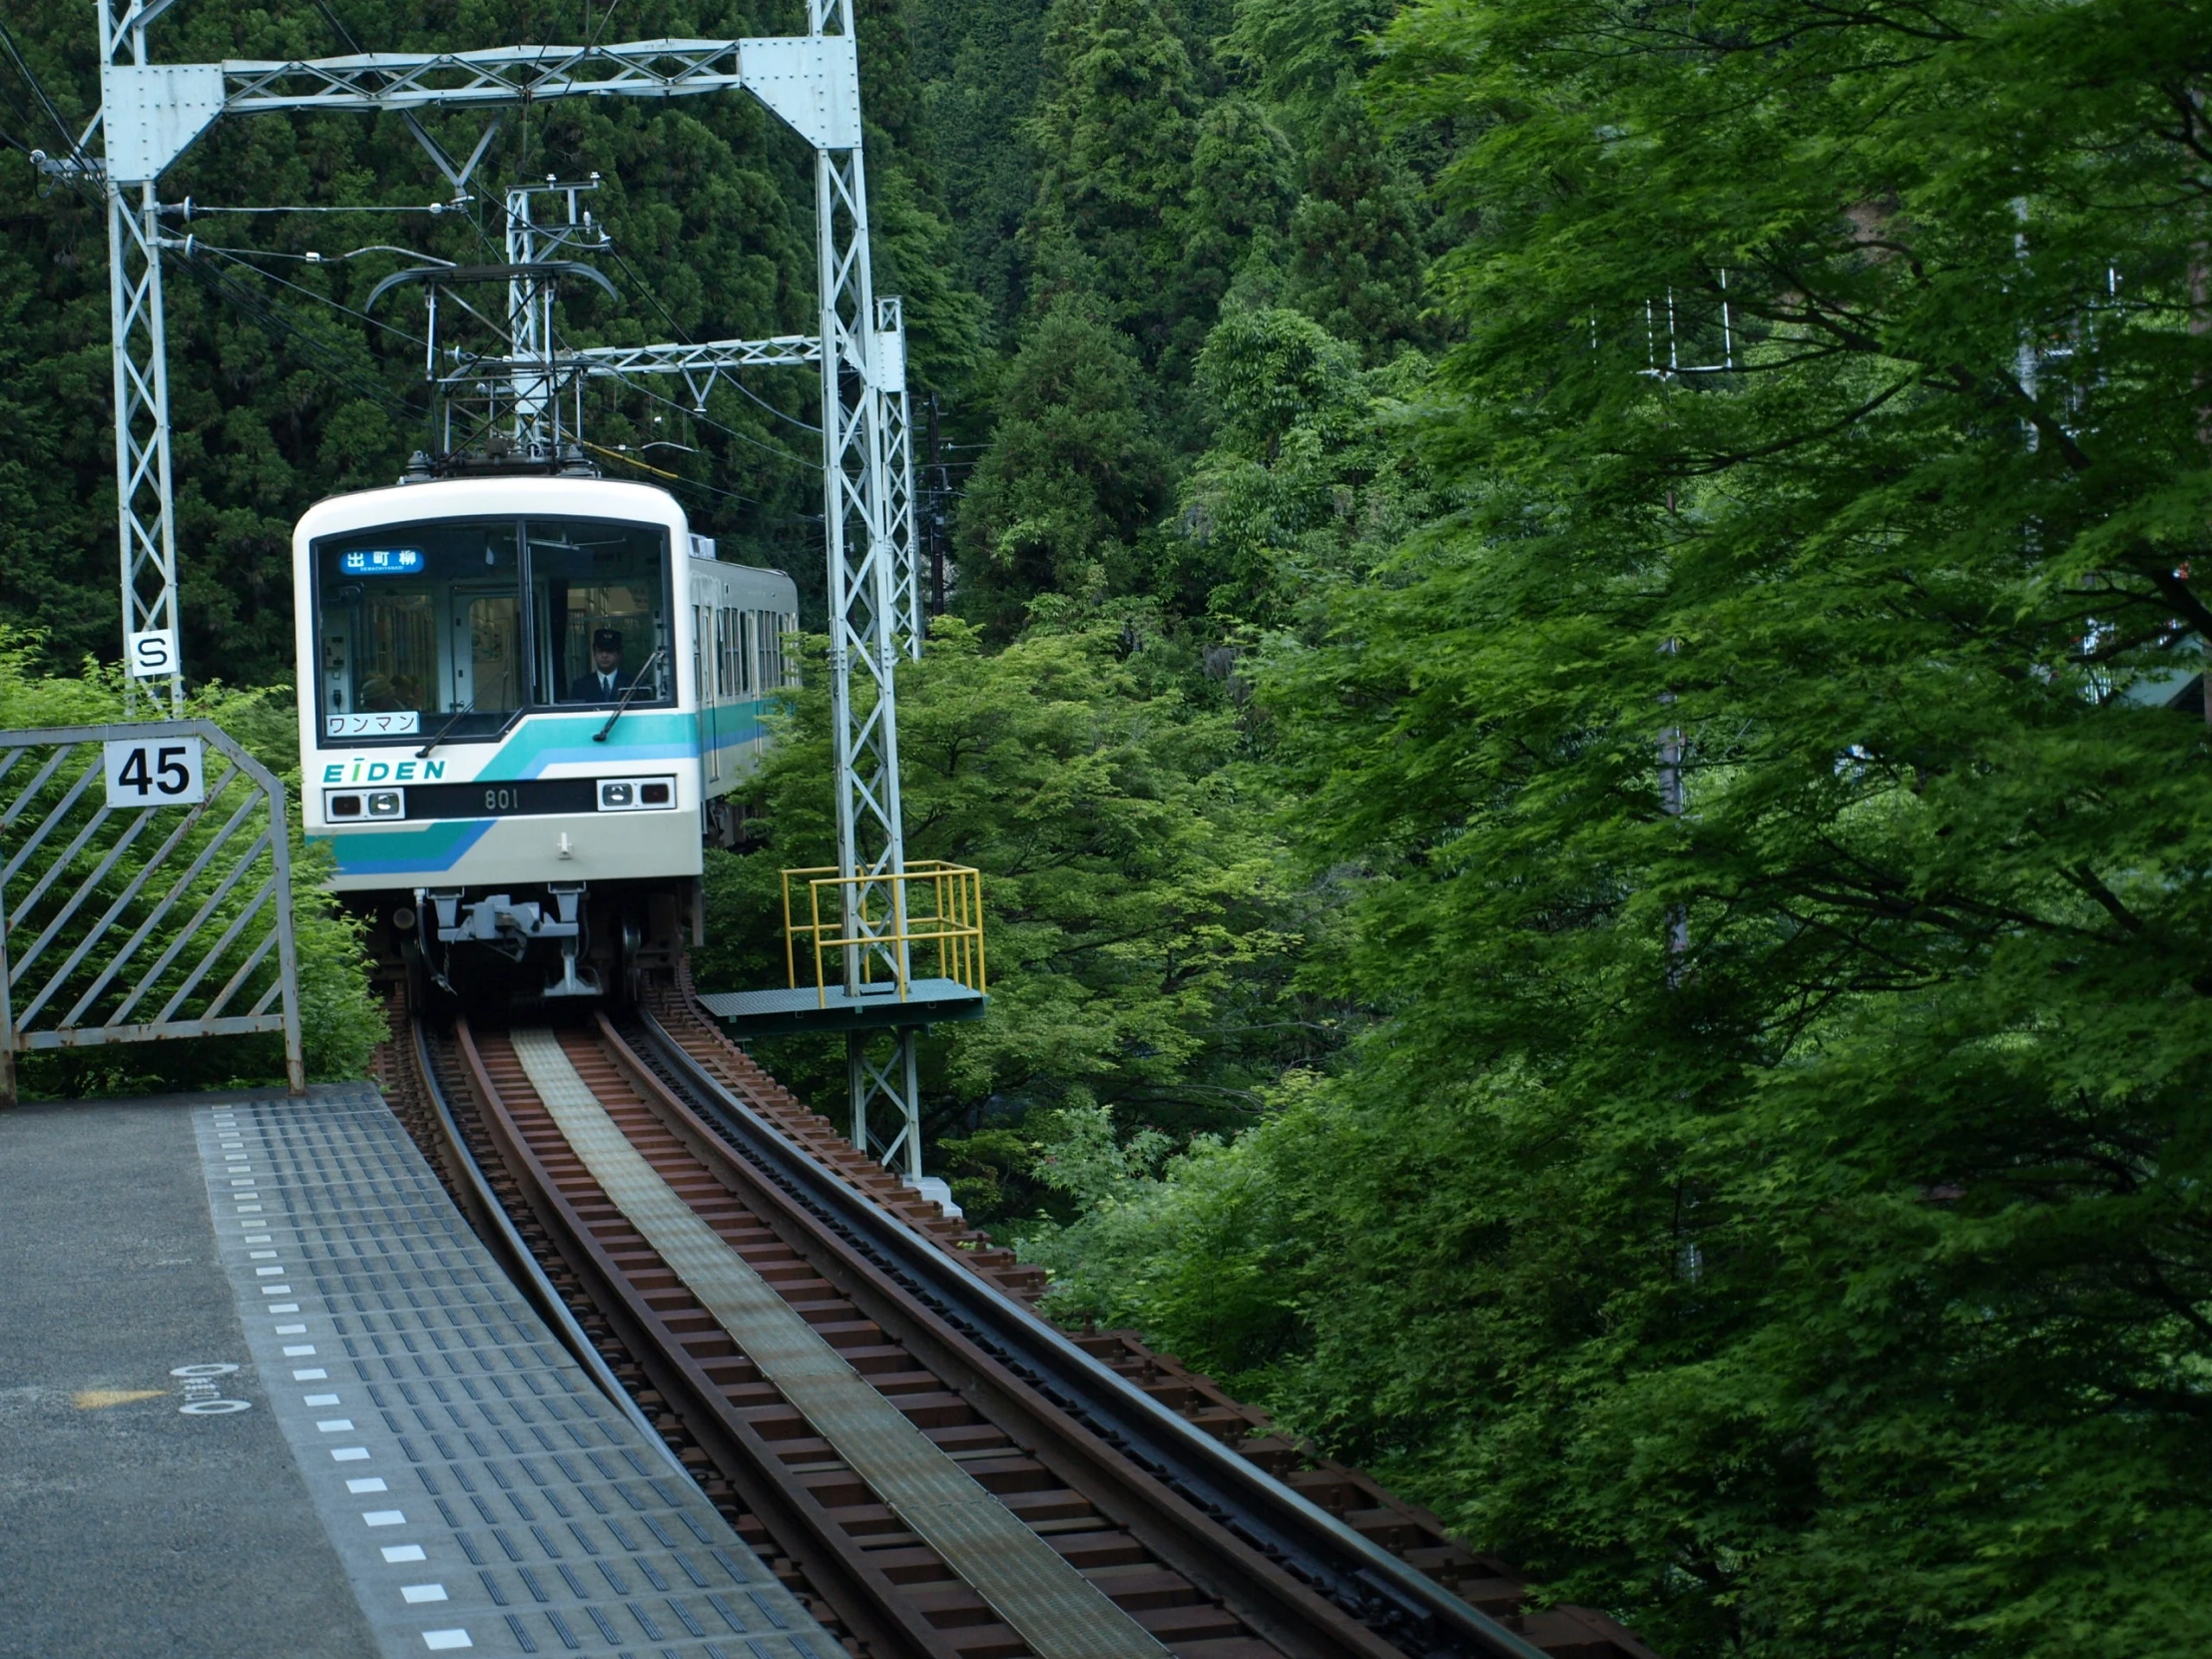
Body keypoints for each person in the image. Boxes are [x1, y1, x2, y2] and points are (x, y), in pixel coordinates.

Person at [571, 628, 634, 702]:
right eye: (600, 651)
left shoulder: (632, 684)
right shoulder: (580, 686)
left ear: (619, 653)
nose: (604, 655)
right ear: (594, 653)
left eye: (609, 651)